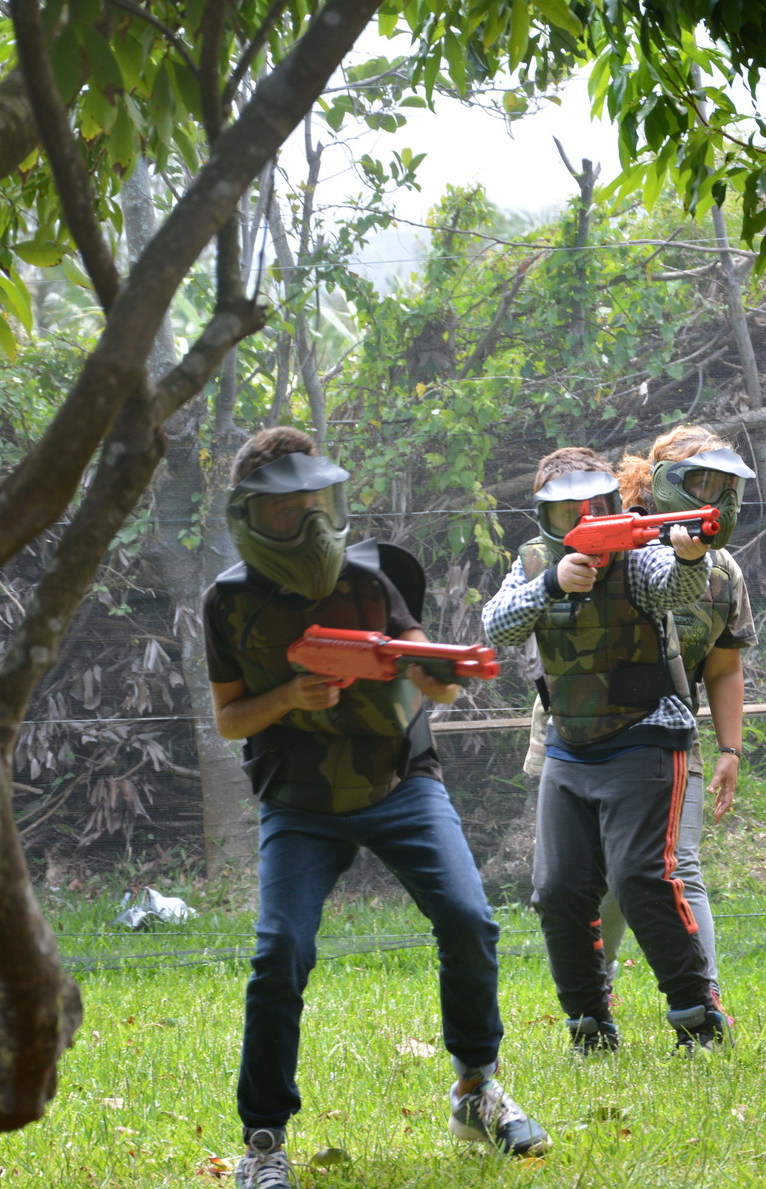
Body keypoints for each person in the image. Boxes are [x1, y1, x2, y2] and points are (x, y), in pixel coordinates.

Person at [204, 427, 548, 1189]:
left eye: (315, 503)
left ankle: (475, 1089)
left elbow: (435, 672)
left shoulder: (369, 580)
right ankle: (263, 1142)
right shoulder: (227, 601)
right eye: (288, 509)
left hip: (401, 783)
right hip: (298, 802)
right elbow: (229, 718)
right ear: (252, 514)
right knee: (278, 955)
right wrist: (291, 694)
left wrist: (433, 672)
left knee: (469, 918)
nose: (309, 522)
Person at [482, 446, 727, 1054]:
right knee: (559, 888)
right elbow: (496, 626)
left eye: (593, 505)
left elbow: (674, 587)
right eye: (568, 510)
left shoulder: (637, 554)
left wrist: (691, 553)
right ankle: (588, 1023)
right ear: (546, 514)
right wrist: (550, 582)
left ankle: (698, 1014)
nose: (583, 517)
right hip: (571, 742)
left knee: (641, 876)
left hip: (646, 732)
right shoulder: (534, 561)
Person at [598, 426, 757, 999]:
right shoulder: (608, 540)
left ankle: (703, 996)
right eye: (700, 480)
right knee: (605, 876)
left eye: (724, 484)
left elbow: (723, 667)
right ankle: (596, 986)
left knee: (678, 866)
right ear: (663, 478)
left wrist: (730, 751)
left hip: (670, 729)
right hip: (585, 730)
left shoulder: (723, 573)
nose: (714, 494)